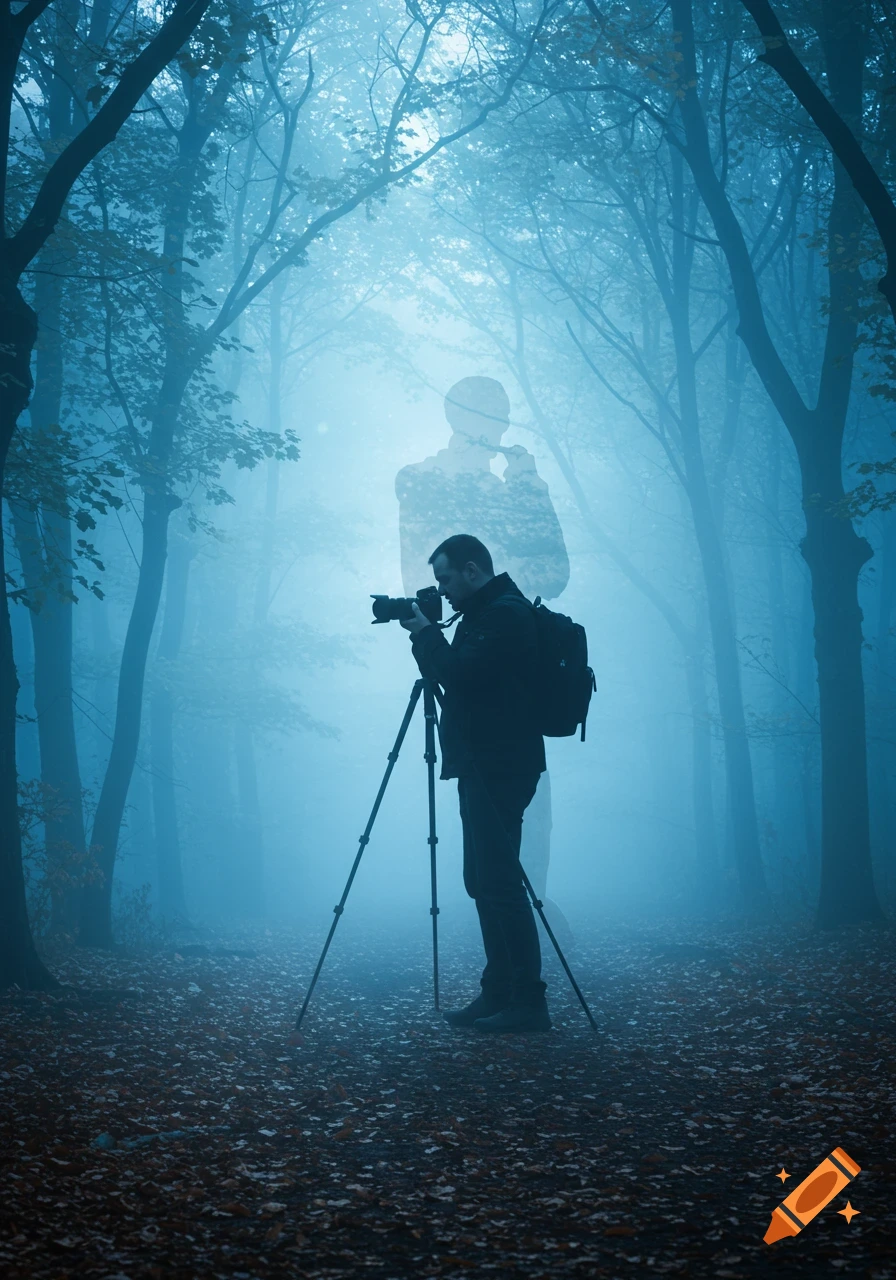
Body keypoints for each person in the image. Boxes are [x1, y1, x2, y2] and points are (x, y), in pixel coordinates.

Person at [394, 376, 570, 933]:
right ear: (452, 417)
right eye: (477, 414)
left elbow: (551, 575)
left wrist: (528, 487)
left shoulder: (514, 492)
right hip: (483, 691)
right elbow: (422, 574)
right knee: (488, 864)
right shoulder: (420, 480)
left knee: (509, 849)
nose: (489, 427)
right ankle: (510, 976)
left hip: (507, 692)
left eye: (497, 416)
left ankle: (524, 965)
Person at [400, 533, 551, 1033]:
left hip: (502, 765)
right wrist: (425, 634)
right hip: (481, 762)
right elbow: (449, 676)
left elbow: (461, 676)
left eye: (445, 579)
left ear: (470, 570)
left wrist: (426, 632)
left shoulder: (504, 614)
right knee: (481, 880)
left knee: (501, 881)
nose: (441, 590)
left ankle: (529, 1002)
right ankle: (500, 991)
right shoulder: (480, 615)